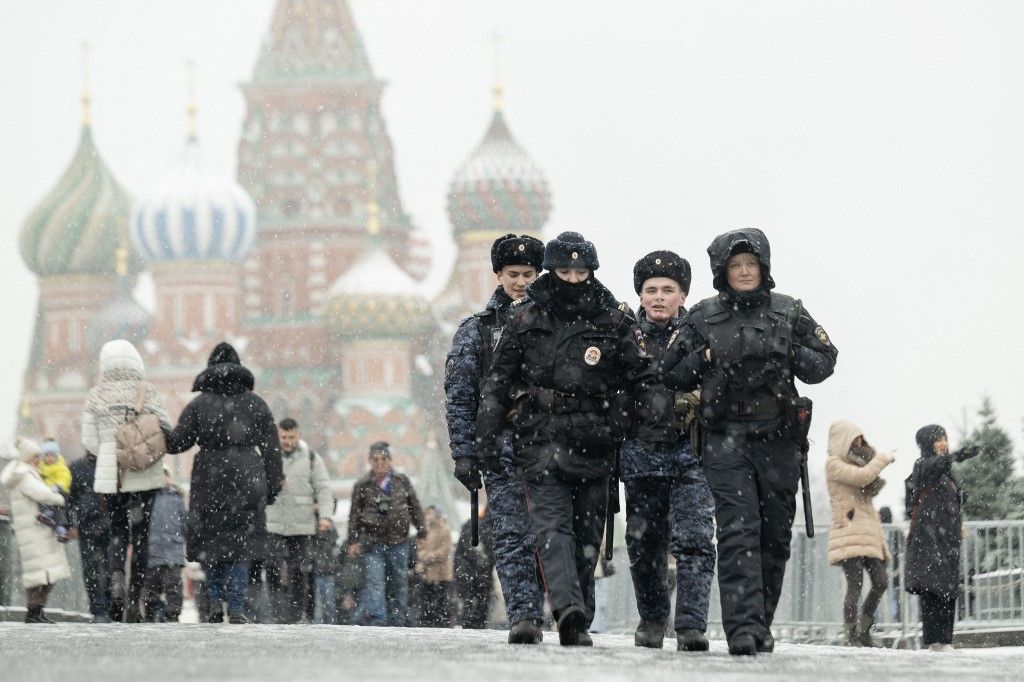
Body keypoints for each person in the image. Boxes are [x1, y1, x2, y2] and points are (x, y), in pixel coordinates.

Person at [476, 231, 673, 646]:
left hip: (594, 440)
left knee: (587, 536)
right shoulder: (525, 318)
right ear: (551, 270)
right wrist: (486, 440)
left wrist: (652, 425)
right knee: (552, 529)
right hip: (541, 440)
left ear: (591, 271)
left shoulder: (612, 319)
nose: (571, 278)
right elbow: (497, 383)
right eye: (563, 270)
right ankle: (568, 610)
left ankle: (577, 614)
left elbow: (645, 380)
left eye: (579, 270)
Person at [661, 228, 838, 655]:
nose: (744, 272)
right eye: (736, 265)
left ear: (764, 268)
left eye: (751, 265)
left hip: (778, 439)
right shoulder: (702, 316)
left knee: (774, 537)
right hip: (725, 440)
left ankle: (761, 624)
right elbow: (670, 371)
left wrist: (788, 351)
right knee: (739, 531)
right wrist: (704, 356)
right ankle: (741, 629)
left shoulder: (789, 311)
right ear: (723, 271)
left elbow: (825, 361)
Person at [444, 232, 547, 644]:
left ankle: (564, 610)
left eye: (528, 274)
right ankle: (524, 614)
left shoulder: (554, 325)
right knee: (511, 534)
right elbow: (460, 395)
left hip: (549, 447)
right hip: (501, 448)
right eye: (513, 274)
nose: (521, 282)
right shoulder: (478, 330)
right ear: (498, 275)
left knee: (554, 533)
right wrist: (464, 454)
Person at [621, 250, 716, 652]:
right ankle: (654, 617)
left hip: (690, 451)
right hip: (640, 450)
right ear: (640, 295)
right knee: (644, 544)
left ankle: (692, 624)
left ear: (683, 295)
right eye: (650, 290)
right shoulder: (622, 334)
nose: (659, 297)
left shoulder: (702, 332)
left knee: (695, 539)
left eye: (668, 290)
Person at [166, 342, 285, 624]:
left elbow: (178, 442)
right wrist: (271, 487)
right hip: (248, 477)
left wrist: (156, 429)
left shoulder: (198, 405)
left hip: (210, 477)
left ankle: (216, 600)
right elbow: (272, 449)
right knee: (242, 548)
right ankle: (237, 605)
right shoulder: (255, 404)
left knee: (212, 545)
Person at [82, 339, 173, 622]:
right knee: (143, 535)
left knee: (117, 531)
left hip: (112, 477)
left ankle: (116, 580)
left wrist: (110, 452)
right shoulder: (148, 391)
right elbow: (167, 428)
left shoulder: (95, 395)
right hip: (143, 475)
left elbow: (89, 441)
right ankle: (136, 599)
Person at [904, 424, 978, 651]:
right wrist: (957, 455)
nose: (943, 443)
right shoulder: (922, 465)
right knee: (931, 589)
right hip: (928, 539)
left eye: (945, 437)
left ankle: (945, 640)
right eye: (937, 439)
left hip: (947, 540)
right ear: (927, 443)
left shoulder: (946, 472)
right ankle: (934, 640)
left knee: (947, 589)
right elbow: (936, 465)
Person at [825, 420, 895, 646]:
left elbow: (868, 480)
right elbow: (862, 477)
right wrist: (882, 459)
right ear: (843, 440)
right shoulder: (833, 464)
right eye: (855, 439)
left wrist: (870, 460)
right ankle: (851, 634)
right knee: (854, 584)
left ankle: (865, 628)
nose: (859, 443)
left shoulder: (860, 462)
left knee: (881, 581)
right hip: (848, 528)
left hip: (869, 531)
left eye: (861, 439)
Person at [347, 442, 426, 626]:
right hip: (372, 543)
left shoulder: (402, 481)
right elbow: (354, 515)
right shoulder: (362, 485)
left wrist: (422, 533)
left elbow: (415, 508)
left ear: (390, 460)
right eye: (375, 460)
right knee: (375, 583)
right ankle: (379, 620)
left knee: (399, 583)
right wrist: (353, 540)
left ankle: (398, 620)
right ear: (370, 461)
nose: (380, 463)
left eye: (384, 459)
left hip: (399, 541)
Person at [264, 418, 334, 623]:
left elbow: (323, 489)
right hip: (274, 522)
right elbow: (257, 486)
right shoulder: (269, 456)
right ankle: (277, 612)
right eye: (283, 437)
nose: (287, 441)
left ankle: (296, 614)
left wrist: (326, 517)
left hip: (301, 525)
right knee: (273, 567)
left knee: (299, 571)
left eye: (291, 437)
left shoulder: (312, 458)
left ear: (298, 435)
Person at [0, 439, 71, 623]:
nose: (40, 459)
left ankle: (36, 611)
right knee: (40, 575)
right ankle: (34, 612)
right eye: (36, 456)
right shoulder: (24, 475)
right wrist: (60, 498)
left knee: (43, 573)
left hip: (33, 530)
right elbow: (42, 494)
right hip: (35, 530)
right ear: (29, 458)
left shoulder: (22, 473)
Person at [67, 448, 111, 622]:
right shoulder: (78, 467)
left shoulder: (109, 464)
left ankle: (105, 607)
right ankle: (99, 609)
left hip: (105, 523)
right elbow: (70, 498)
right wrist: (71, 523)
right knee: (92, 568)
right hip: (89, 524)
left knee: (107, 568)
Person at [143, 467, 187, 622]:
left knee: (162, 587)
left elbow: (184, 523)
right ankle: (164, 615)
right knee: (163, 587)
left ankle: (163, 615)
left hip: (162, 551)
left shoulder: (172, 497)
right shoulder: (173, 498)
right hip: (163, 551)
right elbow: (185, 524)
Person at [454, 503, 494, 629]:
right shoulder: (488, 525)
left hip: (471, 572)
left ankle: (470, 624)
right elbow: (471, 547)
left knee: (471, 605)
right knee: (478, 605)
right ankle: (473, 624)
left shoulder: (476, 522)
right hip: (474, 572)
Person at [415, 505, 453, 628]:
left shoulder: (445, 530)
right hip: (428, 575)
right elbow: (420, 550)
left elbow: (444, 551)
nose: (428, 516)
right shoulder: (425, 531)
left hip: (442, 575)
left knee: (441, 605)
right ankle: (428, 624)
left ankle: (442, 625)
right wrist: (425, 556)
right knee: (427, 604)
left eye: (431, 513)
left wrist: (428, 556)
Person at [35, 440, 71, 543]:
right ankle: (60, 529)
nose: (49, 458)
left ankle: (49, 514)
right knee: (57, 512)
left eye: (52, 455)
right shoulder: (41, 466)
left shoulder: (60, 467)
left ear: (56, 456)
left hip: (60, 490)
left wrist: (59, 486)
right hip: (48, 491)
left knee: (57, 508)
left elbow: (65, 478)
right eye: (46, 455)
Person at [311, 517, 340, 624]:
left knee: (329, 603)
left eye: (326, 527)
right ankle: (318, 623)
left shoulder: (332, 543)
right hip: (318, 574)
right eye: (321, 526)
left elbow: (335, 559)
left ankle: (331, 623)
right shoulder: (314, 540)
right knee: (319, 604)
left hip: (328, 575)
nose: (322, 529)